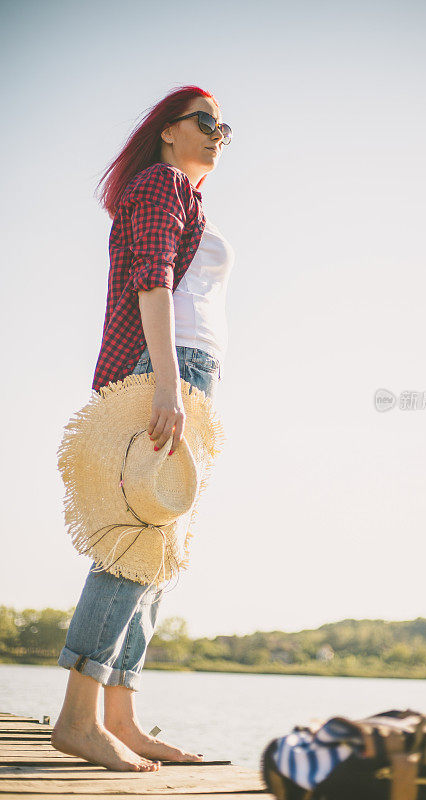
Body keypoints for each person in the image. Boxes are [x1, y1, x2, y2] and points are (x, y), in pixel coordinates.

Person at [51, 85, 235, 772]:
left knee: (160, 550)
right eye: (206, 121)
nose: (219, 133)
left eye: (225, 126)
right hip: (167, 367)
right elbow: (151, 281)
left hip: (191, 373)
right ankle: (78, 717)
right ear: (167, 130)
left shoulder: (188, 195)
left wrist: (189, 386)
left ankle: (120, 718)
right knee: (133, 545)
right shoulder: (160, 182)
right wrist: (166, 385)